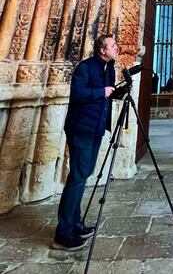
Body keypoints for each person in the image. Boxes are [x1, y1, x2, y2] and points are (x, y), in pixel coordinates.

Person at [52, 35, 117, 251]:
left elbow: (106, 96)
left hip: (96, 129)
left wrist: (117, 92)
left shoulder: (110, 69)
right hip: (81, 129)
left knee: (82, 175)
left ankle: (76, 224)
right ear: (102, 50)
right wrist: (101, 92)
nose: (117, 48)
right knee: (78, 177)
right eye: (113, 45)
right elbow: (77, 93)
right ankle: (63, 233)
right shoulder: (86, 67)